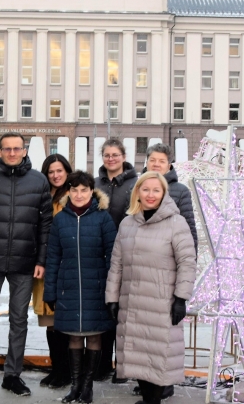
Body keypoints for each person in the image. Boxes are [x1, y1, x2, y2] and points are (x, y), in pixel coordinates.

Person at [0, 133, 53, 398]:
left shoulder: (38, 180)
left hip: (25, 261)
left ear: (24, 151)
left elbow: (45, 225)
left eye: (17, 148)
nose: (12, 153)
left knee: (19, 321)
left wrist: (41, 260)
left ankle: (12, 375)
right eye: (7, 149)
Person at [105, 172, 197, 404]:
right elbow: (117, 264)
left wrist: (181, 298)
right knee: (138, 357)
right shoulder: (127, 223)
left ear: (164, 193)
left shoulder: (176, 223)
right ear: (137, 192)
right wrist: (112, 298)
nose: (150, 195)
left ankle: (153, 400)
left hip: (161, 304)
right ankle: (147, 399)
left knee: (157, 357)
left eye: (156, 190)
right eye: (145, 189)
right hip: (132, 304)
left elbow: (187, 262)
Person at [44, 171, 117, 404]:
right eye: (74, 190)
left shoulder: (103, 218)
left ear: (91, 192)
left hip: (96, 287)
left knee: (94, 335)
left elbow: (113, 257)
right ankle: (75, 386)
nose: (78, 194)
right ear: (68, 192)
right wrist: (50, 291)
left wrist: (111, 291)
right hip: (69, 288)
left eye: (84, 190)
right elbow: (53, 257)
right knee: (74, 337)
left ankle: (87, 387)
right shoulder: (60, 219)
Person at [93, 138, 138, 384]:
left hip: (128, 254)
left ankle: (123, 367)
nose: (111, 159)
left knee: (124, 314)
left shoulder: (135, 183)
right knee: (104, 310)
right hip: (99, 255)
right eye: (107, 155)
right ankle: (102, 364)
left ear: (123, 157)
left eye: (115, 155)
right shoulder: (95, 183)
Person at [35, 154, 74, 390]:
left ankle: (66, 371)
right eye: (51, 171)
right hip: (44, 264)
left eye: (59, 170)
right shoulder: (42, 195)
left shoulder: (72, 195)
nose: (56, 175)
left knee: (63, 320)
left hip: (64, 266)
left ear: (67, 171)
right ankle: (56, 368)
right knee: (50, 321)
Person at [143, 143, 198, 254]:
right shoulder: (135, 188)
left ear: (168, 166)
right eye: (152, 160)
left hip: (167, 257)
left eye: (162, 161)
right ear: (147, 162)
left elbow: (188, 230)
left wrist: (190, 260)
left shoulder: (181, 191)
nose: (156, 164)